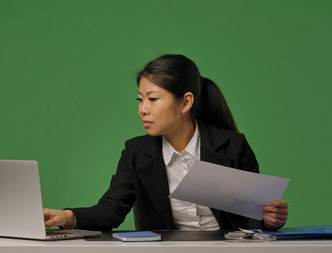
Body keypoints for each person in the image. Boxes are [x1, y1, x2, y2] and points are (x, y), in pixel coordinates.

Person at [43, 54, 289, 231]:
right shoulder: (136, 152)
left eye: (152, 99)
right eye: (140, 100)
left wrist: (270, 219)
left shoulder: (233, 146)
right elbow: (111, 211)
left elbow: (252, 218)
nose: (143, 109)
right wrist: (67, 216)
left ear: (185, 102)